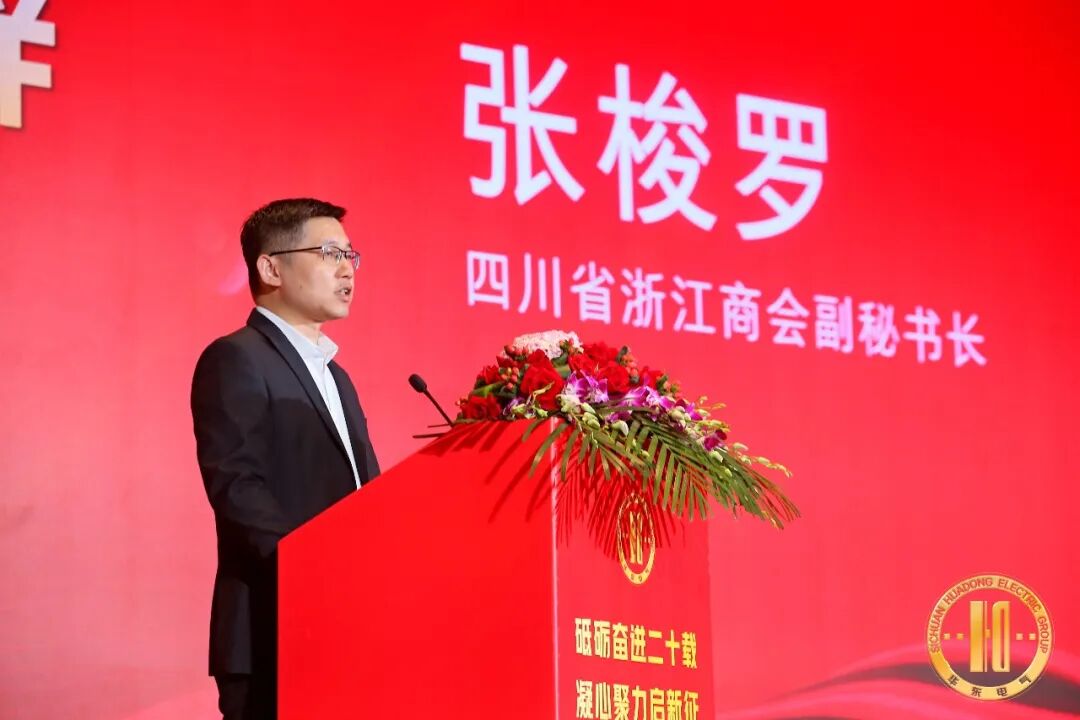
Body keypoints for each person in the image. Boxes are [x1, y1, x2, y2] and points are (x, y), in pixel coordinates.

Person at [190, 198, 380, 719]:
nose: (347, 269)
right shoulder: (236, 357)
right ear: (270, 268)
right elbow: (237, 486)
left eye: (350, 255)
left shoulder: (337, 378)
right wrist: (315, 569)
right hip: (273, 628)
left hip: (347, 631)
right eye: (329, 253)